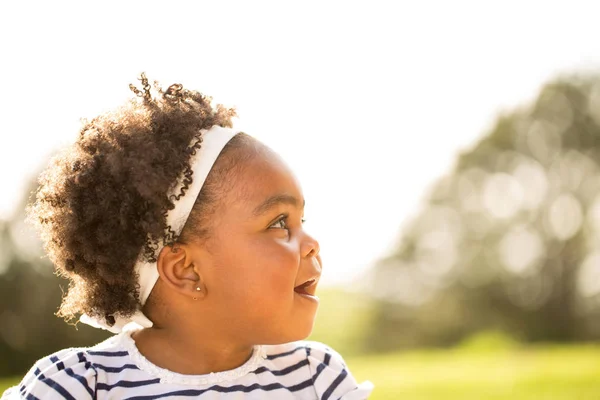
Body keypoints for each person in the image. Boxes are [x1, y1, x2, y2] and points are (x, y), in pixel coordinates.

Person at [1, 74, 373, 399]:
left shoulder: (316, 379)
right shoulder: (79, 386)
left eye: (301, 220)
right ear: (186, 270)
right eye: (279, 223)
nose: (311, 243)